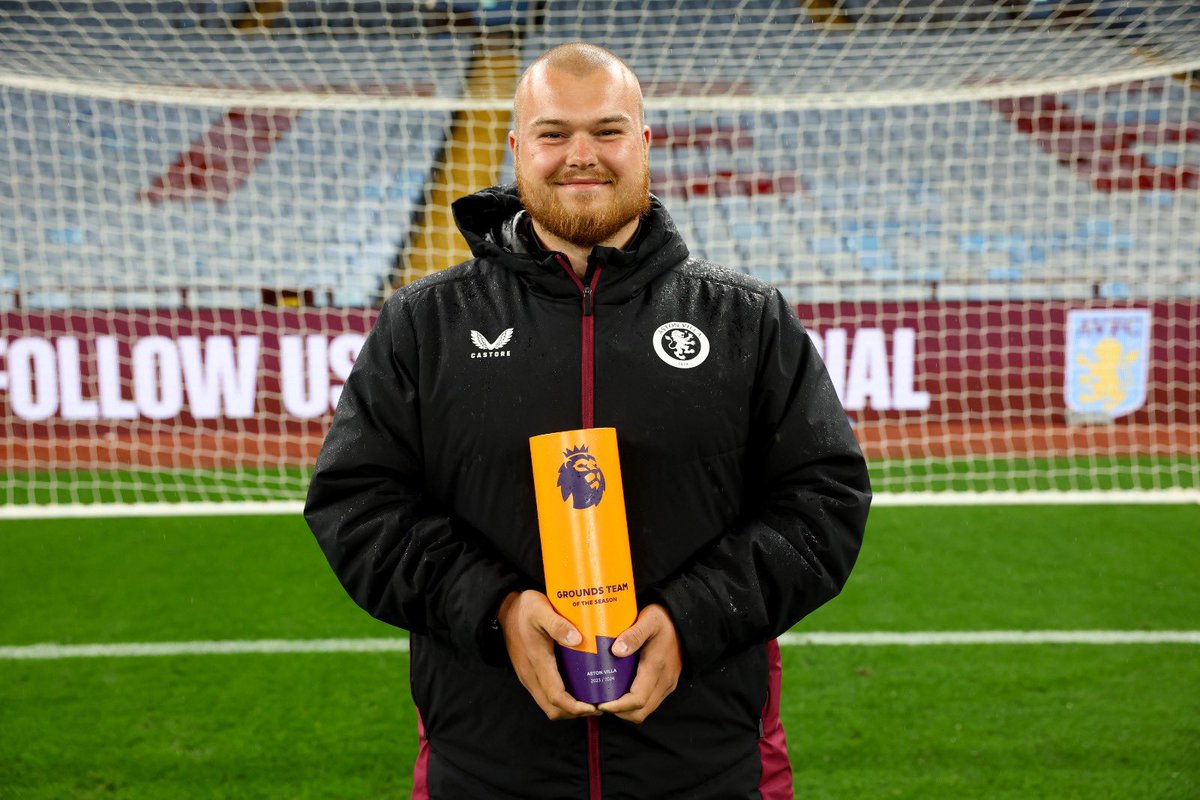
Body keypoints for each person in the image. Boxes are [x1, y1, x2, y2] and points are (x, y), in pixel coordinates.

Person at [305, 42, 871, 800]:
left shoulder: (746, 321)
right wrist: (495, 609)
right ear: (515, 149)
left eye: (607, 131)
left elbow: (824, 503)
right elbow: (356, 504)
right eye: (553, 133)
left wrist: (693, 619)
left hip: (708, 768)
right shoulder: (425, 324)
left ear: (644, 142)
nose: (582, 155)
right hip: (486, 768)